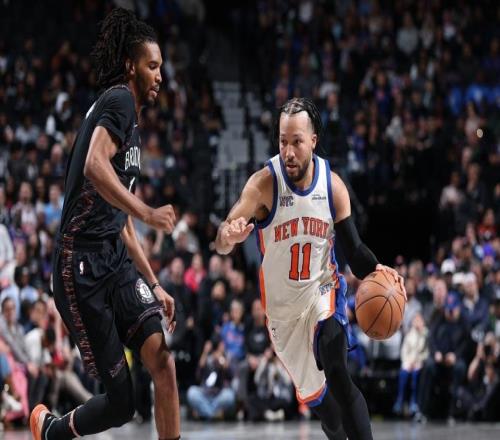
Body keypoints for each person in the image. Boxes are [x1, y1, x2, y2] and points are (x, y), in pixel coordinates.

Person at [215, 97, 406, 440]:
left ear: (313, 140)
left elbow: (354, 251)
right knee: (329, 413)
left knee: (337, 370)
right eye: (282, 142)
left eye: (297, 142)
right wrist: (228, 237)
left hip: (322, 291)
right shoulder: (264, 184)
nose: (288, 152)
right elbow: (222, 237)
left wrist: (380, 270)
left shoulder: (332, 187)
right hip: (283, 316)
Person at [30, 8, 180, 440]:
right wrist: (149, 212)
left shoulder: (130, 122)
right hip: (80, 267)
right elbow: (95, 165)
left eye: (161, 67)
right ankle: (53, 431)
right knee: (122, 404)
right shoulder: (118, 101)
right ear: (131, 66)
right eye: (152, 66)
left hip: (113, 259)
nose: (159, 76)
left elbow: (120, 222)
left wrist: (154, 283)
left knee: (163, 361)